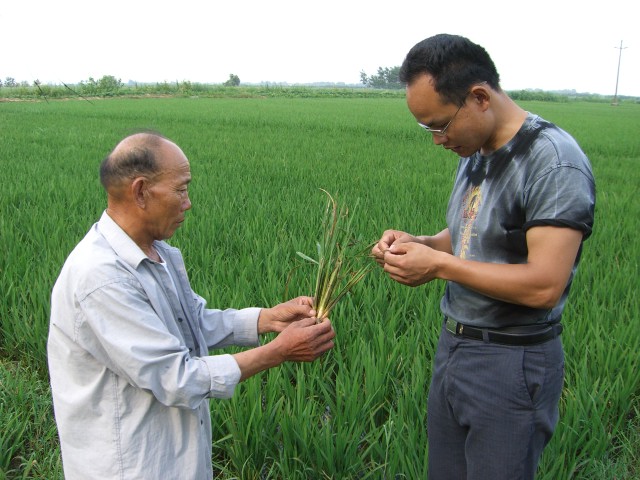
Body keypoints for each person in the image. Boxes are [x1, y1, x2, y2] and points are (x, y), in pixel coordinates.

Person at [47, 132, 336, 480]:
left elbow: (191, 321)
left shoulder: (155, 252)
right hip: (131, 467)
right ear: (141, 192)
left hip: (173, 458)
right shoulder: (102, 278)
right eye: (181, 190)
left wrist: (268, 319)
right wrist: (279, 352)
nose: (188, 203)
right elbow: (177, 378)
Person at [371, 34, 595, 479]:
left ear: (479, 97)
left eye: (440, 125)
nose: (438, 140)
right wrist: (420, 243)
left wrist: (438, 266)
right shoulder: (475, 149)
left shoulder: (552, 162)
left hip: (511, 361)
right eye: (428, 129)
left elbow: (544, 286)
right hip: (455, 346)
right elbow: (471, 236)